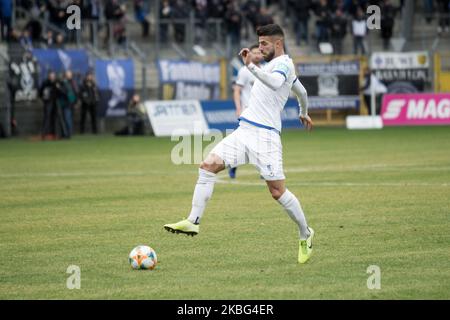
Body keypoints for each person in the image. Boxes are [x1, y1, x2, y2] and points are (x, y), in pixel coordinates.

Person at [164, 24, 315, 264]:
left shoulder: (284, 64)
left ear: (277, 43)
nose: (260, 47)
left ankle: (305, 233)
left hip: (266, 138)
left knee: (277, 191)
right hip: (245, 131)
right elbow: (302, 91)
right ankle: (193, 222)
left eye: (264, 43)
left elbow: (276, 84)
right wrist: (303, 111)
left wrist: (251, 67)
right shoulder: (276, 66)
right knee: (207, 165)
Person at [228, 44, 263, 179]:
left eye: (259, 53)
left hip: (262, 113)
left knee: (262, 141)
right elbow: (237, 90)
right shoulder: (244, 71)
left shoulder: (265, 70)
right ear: (249, 55)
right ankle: (233, 165)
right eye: (254, 53)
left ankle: (263, 170)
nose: (257, 55)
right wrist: (238, 108)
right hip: (247, 113)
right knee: (244, 143)